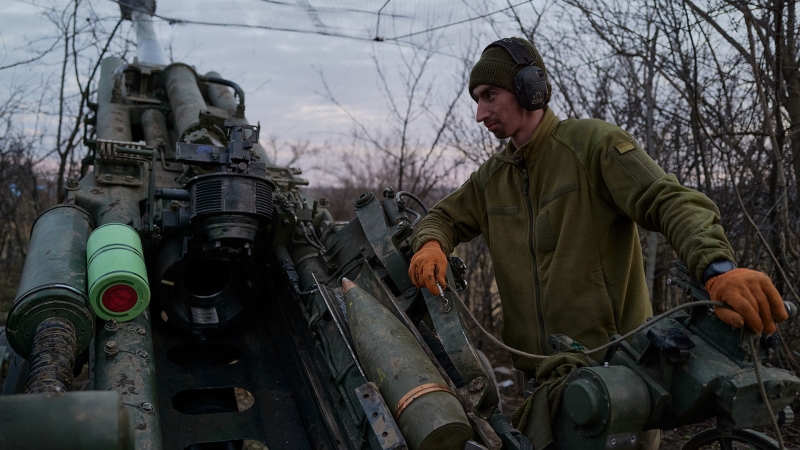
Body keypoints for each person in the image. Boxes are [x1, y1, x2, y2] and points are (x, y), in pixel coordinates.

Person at [407, 37, 788, 449]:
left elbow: (669, 199)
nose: (480, 113)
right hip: (540, 380)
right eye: (476, 100)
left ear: (529, 87)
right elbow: (442, 216)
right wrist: (432, 243)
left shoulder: (593, 145)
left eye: (490, 96)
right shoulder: (492, 177)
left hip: (617, 377)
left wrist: (717, 269)